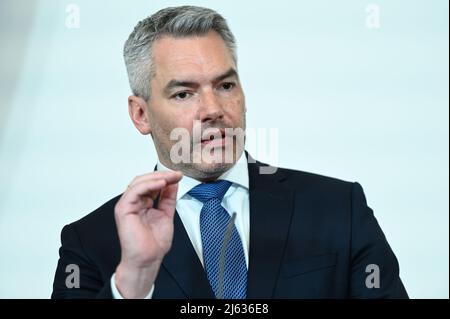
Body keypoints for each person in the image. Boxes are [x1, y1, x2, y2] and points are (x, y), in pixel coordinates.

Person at [51, 5, 408, 299]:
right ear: (140, 114)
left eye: (225, 85)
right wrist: (134, 279)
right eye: (183, 93)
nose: (213, 109)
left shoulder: (338, 209)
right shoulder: (90, 243)